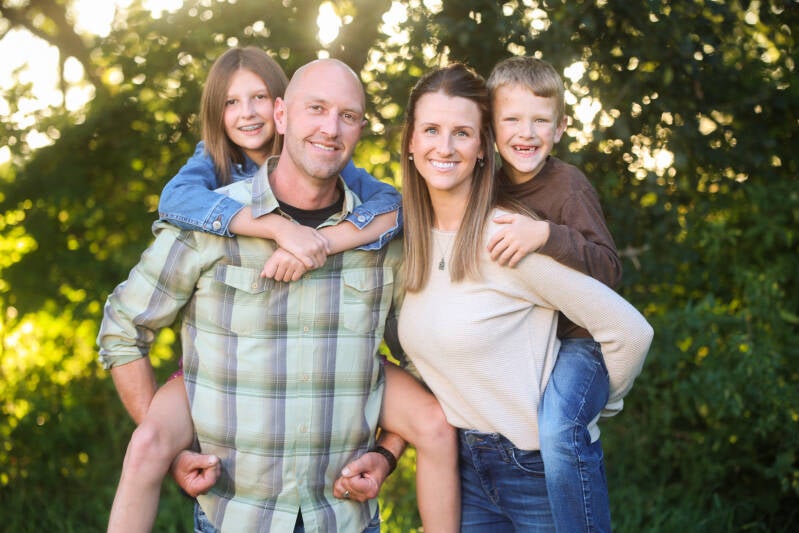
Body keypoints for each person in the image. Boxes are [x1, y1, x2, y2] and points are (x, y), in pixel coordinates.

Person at [102, 47, 404, 533]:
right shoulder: (207, 210)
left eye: (347, 116)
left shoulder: (374, 226)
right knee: (146, 448)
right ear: (285, 116)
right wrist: (175, 451)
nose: (330, 128)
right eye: (316, 108)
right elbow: (123, 326)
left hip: (345, 516)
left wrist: (388, 453)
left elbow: (424, 353)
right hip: (235, 515)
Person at [395, 62, 653, 530]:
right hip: (462, 469)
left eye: (462, 133)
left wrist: (592, 408)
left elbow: (630, 331)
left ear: (482, 147)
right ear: (410, 140)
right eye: (431, 129)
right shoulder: (406, 243)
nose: (445, 147)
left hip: (535, 471)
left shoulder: (508, 236)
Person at [485, 55, 622, 532]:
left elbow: (609, 268)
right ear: (490, 126)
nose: (526, 133)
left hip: (580, 342)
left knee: (560, 430)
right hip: (528, 339)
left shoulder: (568, 186)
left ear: (560, 127)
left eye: (540, 121)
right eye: (512, 120)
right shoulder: (486, 185)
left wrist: (546, 234)